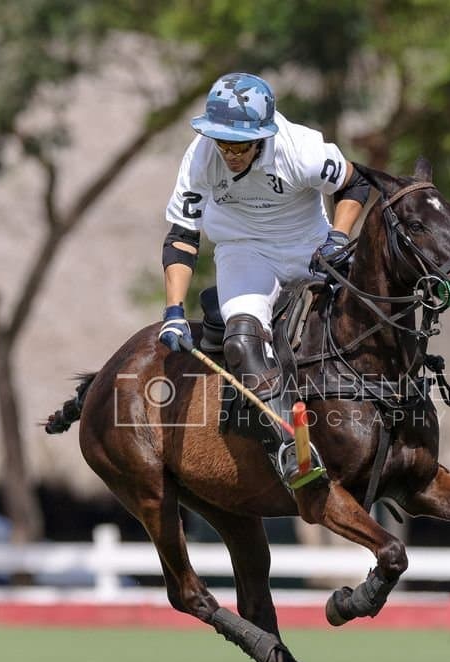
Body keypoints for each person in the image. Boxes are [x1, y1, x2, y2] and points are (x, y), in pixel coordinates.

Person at [157, 72, 370, 485]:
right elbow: (182, 236)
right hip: (243, 249)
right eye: (222, 142)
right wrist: (173, 311)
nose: (229, 153)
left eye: (239, 144)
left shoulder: (301, 150)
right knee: (241, 339)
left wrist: (339, 238)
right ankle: (293, 449)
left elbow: (355, 183)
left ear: (262, 136)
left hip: (308, 244)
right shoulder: (201, 156)